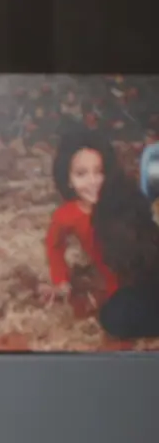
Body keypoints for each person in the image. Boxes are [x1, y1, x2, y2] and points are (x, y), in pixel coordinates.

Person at [44, 125, 159, 338]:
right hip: (127, 290)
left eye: (99, 171)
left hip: (146, 272)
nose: (93, 182)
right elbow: (54, 246)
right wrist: (60, 279)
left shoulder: (122, 200)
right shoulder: (66, 216)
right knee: (113, 317)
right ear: (68, 179)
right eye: (81, 174)